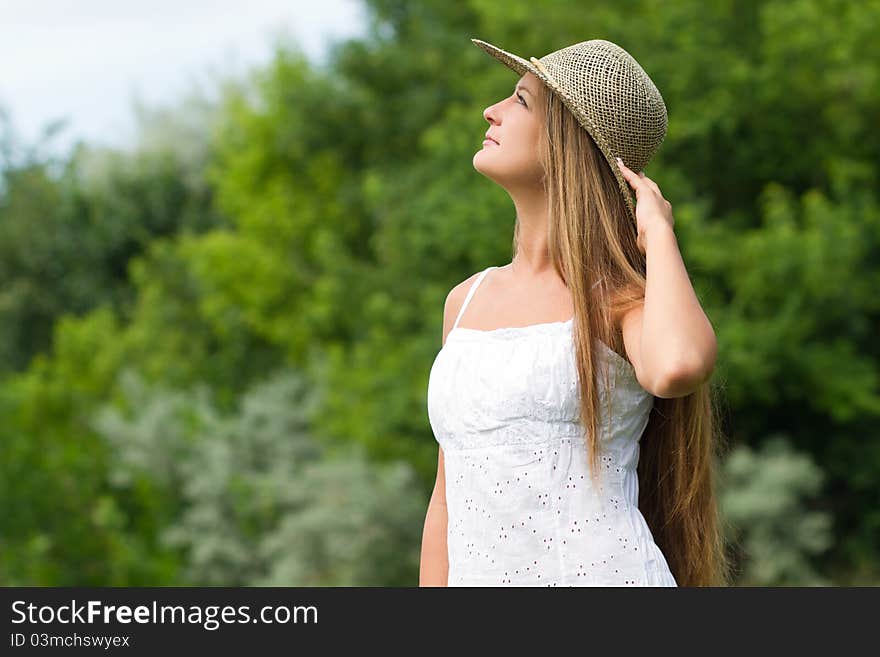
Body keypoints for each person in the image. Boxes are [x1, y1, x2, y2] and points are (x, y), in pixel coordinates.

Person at [419, 38, 731, 587]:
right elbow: (447, 497)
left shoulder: (616, 302)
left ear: (569, 141)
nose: (491, 110)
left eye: (519, 100)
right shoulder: (464, 302)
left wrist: (657, 231)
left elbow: (678, 365)